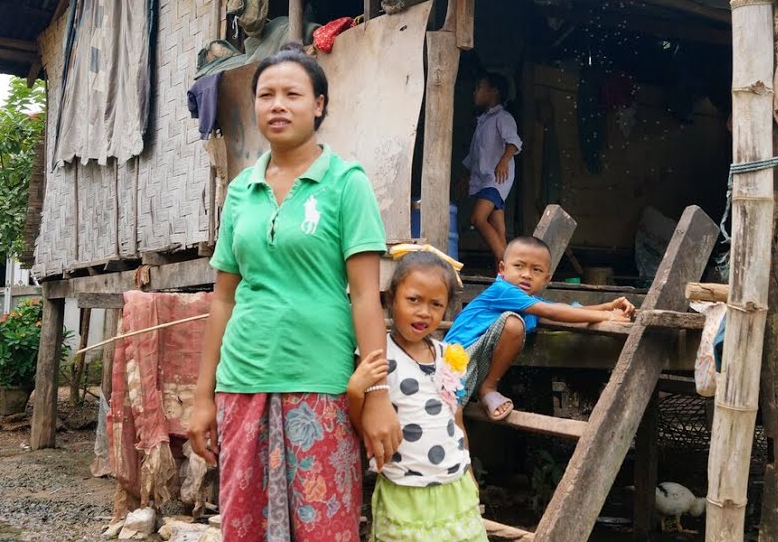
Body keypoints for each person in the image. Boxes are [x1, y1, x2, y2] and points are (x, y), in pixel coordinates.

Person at [187, 42, 401, 542]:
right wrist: (203, 398)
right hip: (243, 381)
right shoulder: (241, 190)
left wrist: (377, 395)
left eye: (292, 94)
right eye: (266, 95)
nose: (277, 105)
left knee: (324, 529)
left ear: (319, 105)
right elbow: (223, 298)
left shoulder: (347, 183)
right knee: (247, 528)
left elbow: (366, 297)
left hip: (321, 382)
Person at [347, 250, 488, 541]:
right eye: (414, 300)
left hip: (454, 485)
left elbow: (456, 419)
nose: (424, 312)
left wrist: (469, 470)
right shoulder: (378, 355)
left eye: (436, 304)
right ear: (390, 300)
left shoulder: (448, 356)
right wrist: (355, 391)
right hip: (404, 488)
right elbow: (361, 425)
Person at [443, 236, 634, 421]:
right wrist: (608, 316)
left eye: (536, 270)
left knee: (451, 423)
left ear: (546, 278)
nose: (526, 274)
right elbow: (552, 311)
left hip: (476, 360)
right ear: (502, 268)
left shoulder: (530, 302)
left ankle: (485, 392)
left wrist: (608, 306)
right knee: (449, 422)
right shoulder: (503, 290)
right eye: (519, 266)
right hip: (456, 361)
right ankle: (489, 388)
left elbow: (568, 311)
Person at [462, 71, 521, 265]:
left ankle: (508, 267)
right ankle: (504, 278)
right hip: (485, 179)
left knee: (477, 219)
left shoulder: (503, 117)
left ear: (493, 92)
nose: (475, 92)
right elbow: (474, 156)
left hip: (496, 179)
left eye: (479, 87)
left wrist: (504, 160)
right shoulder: (483, 121)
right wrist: (466, 177)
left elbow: (513, 142)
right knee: (499, 230)